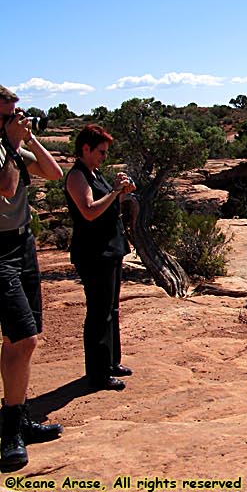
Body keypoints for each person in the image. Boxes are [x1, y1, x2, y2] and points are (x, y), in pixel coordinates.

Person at [0, 86, 58, 471]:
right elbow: (5, 188)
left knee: (18, 339)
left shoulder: (14, 148)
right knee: (25, 338)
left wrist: (30, 139)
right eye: (9, 109)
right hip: (0, 251)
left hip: (24, 245)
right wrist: (10, 143)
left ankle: (17, 418)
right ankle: (10, 434)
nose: (17, 113)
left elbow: (53, 173)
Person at [61, 124, 130, 392]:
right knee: (99, 313)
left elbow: (107, 207)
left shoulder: (94, 172)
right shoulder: (78, 176)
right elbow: (89, 212)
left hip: (111, 247)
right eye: (101, 151)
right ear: (86, 149)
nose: (104, 156)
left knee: (111, 309)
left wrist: (121, 191)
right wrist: (113, 192)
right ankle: (99, 374)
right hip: (93, 252)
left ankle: (111, 362)